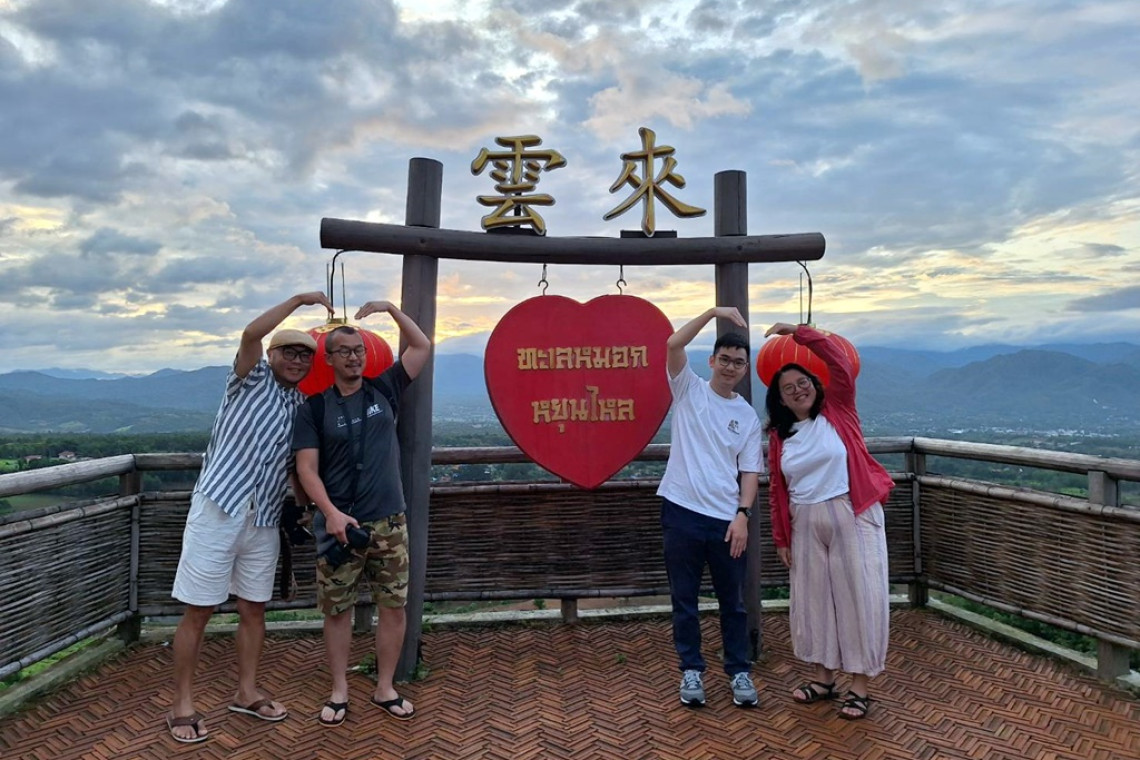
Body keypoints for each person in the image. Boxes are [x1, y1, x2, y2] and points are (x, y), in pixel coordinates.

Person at [167, 291, 334, 743]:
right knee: (199, 610)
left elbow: (295, 467)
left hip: (264, 517)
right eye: (289, 352)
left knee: (254, 609)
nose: (297, 360)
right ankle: (181, 704)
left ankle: (246, 691)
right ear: (272, 354)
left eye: (305, 355)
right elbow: (250, 333)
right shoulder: (248, 379)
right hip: (218, 508)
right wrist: (300, 300)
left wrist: (306, 506)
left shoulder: (300, 407)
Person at [293, 300, 431, 727]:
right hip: (340, 526)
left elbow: (421, 347)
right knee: (337, 611)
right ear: (329, 358)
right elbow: (306, 469)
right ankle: (339, 689)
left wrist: (391, 309)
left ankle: (385, 686)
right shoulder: (314, 409)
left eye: (359, 350)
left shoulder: (384, 388)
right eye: (345, 351)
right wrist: (330, 514)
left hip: (390, 520)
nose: (354, 357)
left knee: (393, 607)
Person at [763, 322, 894, 720]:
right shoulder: (781, 437)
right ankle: (823, 679)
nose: (797, 390)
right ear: (780, 400)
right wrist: (782, 537)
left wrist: (799, 333)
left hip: (850, 513)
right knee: (814, 602)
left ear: (815, 385)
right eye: (788, 388)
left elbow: (840, 363)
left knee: (859, 599)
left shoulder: (839, 411)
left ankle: (859, 686)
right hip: (805, 522)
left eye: (802, 382)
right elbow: (778, 489)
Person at [657, 306, 764, 708]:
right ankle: (691, 670)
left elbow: (750, 472)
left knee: (732, 602)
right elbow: (673, 343)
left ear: (745, 368)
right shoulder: (688, 389)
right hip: (681, 511)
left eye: (738, 362)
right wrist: (713, 312)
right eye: (725, 359)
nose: (731, 367)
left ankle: (738, 671)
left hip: (726, 520)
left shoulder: (747, 416)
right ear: (712, 361)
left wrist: (743, 515)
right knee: (684, 599)